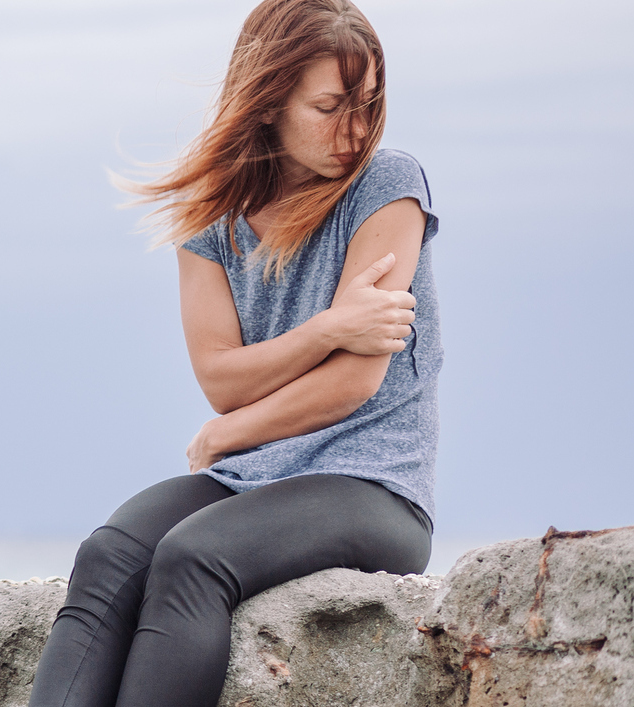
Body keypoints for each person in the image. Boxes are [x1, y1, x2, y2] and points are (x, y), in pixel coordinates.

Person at [26, 1, 439, 705]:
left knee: (192, 557)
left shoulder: (386, 183)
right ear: (268, 101)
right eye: (329, 105)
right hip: (254, 480)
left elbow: (354, 379)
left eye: (367, 104)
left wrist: (231, 432)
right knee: (108, 555)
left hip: (374, 486)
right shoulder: (213, 218)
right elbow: (221, 376)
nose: (355, 129)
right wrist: (326, 327)